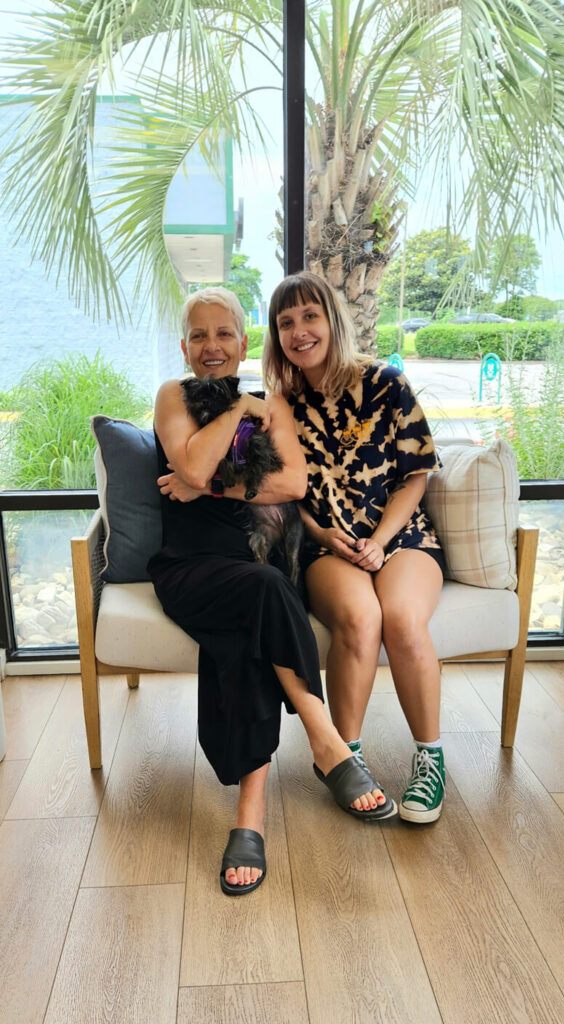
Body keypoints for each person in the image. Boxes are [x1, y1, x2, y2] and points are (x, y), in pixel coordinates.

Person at [147, 286, 398, 897]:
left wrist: (205, 484)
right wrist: (236, 413)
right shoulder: (173, 397)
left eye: (224, 334)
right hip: (189, 568)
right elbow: (194, 465)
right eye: (200, 336)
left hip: (253, 565)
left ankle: (250, 819)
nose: (212, 347)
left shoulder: (277, 403)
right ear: (185, 346)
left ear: (242, 341)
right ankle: (324, 736)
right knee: (264, 592)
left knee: (251, 621)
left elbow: (290, 484)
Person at [263, 271, 447, 823]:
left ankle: (431, 759)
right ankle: (345, 758)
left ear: (332, 319)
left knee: (403, 619)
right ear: (277, 335)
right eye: (286, 322)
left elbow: (418, 471)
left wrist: (380, 542)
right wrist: (320, 534)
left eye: (310, 316)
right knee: (361, 617)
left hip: (403, 537)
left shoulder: (387, 382)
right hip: (325, 547)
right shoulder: (282, 404)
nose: (299, 331)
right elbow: (283, 488)